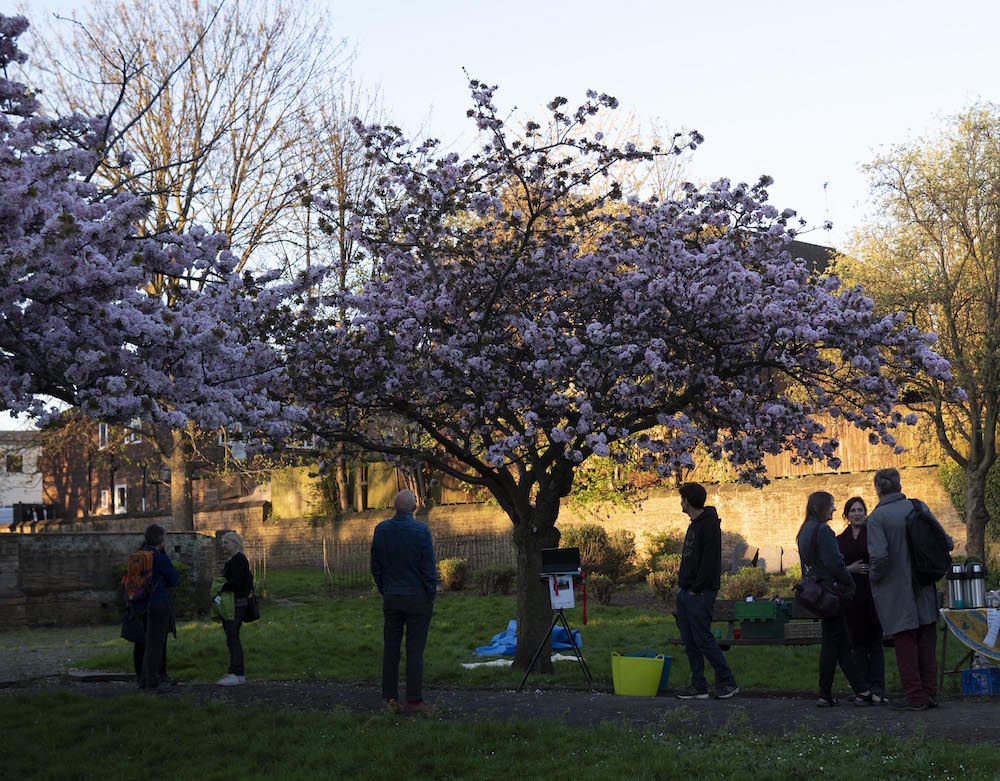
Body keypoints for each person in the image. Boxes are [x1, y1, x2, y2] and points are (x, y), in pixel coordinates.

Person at [867, 468, 953, 711]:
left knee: (905, 641)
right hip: (925, 584)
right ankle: (930, 692)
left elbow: (880, 558)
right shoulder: (919, 507)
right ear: (899, 485)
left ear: (878, 489)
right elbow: (945, 541)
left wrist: (874, 579)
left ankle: (916, 697)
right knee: (927, 639)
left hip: (896, 589)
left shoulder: (877, 519)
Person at [797, 491, 873, 707]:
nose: (834, 509)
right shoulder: (824, 531)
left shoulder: (804, 531)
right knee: (834, 644)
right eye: (831, 505)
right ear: (822, 507)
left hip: (816, 593)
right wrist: (849, 582)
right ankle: (829, 693)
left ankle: (858, 691)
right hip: (830, 594)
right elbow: (834, 564)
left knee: (839, 643)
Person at [370, 489, 436, 714]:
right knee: (414, 650)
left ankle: (390, 699)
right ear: (414, 507)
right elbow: (428, 568)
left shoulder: (381, 530)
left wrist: (385, 588)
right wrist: (430, 595)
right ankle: (414, 701)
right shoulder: (421, 531)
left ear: (395, 507)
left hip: (392, 596)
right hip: (417, 597)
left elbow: (375, 565)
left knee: (391, 649)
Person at [673, 482, 739, 700]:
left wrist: (696, 589)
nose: (680, 503)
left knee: (702, 638)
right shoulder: (694, 524)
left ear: (688, 501)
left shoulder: (708, 525)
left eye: (682, 499)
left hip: (699, 593)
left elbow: (709, 562)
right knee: (690, 640)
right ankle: (698, 685)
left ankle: (727, 681)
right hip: (687, 591)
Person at [836, 497, 887, 704]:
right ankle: (863, 688)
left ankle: (877, 688)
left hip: (872, 594)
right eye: (853, 510)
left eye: (860, 510)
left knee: (875, 643)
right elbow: (835, 566)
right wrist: (850, 569)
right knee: (856, 644)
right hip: (851, 596)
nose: (857, 513)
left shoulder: (873, 535)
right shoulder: (840, 540)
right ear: (846, 515)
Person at [138, 523, 178, 692]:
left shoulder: (137, 556)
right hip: (158, 603)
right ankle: (153, 681)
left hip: (140, 604)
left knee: (144, 643)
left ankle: (143, 679)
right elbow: (174, 579)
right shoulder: (160, 558)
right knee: (156, 643)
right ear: (160, 540)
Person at [216, 531, 252, 686]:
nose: (223, 545)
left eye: (226, 542)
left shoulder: (238, 559)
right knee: (231, 637)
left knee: (233, 637)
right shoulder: (232, 560)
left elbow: (237, 582)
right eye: (223, 543)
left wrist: (221, 586)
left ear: (235, 543)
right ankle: (234, 671)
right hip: (232, 602)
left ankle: (237, 673)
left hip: (236, 603)